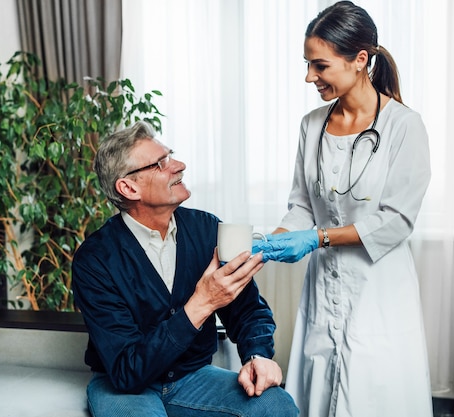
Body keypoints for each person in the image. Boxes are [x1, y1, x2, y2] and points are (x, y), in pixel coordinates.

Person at [252, 2, 433, 416]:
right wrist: (263, 246)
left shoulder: (403, 126)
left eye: (320, 66)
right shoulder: (312, 124)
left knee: (373, 396)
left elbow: (396, 221)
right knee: (320, 389)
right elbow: (301, 207)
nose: (309, 77)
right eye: (307, 64)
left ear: (360, 60)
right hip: (324, 289)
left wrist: (317, 238)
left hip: (378, 288)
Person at [72, 121, 298, 417]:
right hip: (127, 387)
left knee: (276, 405)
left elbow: (247, 309)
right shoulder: (95, 259)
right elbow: (128, 372)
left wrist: (258, 355)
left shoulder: (206, 229)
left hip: (192, 377)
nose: (179, 165)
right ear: (129, 187)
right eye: (160, 163)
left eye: (171, 155)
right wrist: (201, 303)